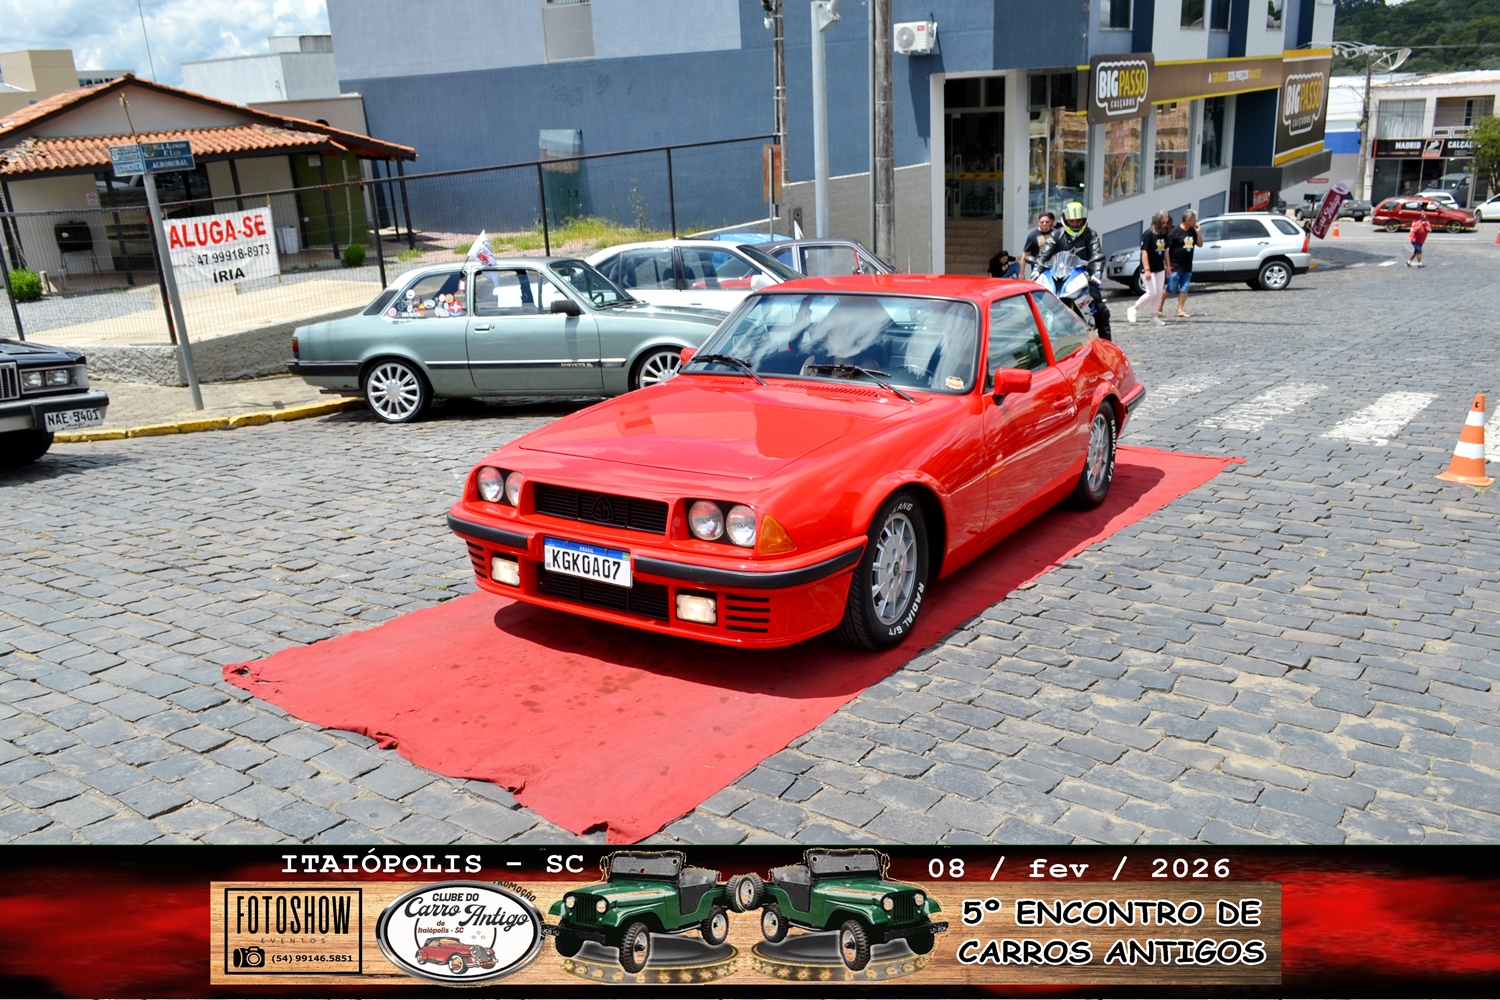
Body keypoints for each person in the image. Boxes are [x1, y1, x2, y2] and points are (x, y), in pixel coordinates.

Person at [1037, 201, 1112, 341]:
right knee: (1039, 307)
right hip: (1060, 278)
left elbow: (1097, 255)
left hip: (1085, 278)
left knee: (1102, 310)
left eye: (1079, 221)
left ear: (1084, 220)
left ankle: (1108, 345)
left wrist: (1096, 273)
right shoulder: (1057, 234)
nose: (1075, 224)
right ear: (1065, 220)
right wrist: (1037, 270)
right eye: (1072, 221)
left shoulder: (1091, 234)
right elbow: (1044, 255)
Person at [1128, 210, 1171, 327]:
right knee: (1151, 292)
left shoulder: (1164, 233)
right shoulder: (1148, 234)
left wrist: (1168, 265)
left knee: (1158, 293)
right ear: (1157, 221)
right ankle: (1134, 308)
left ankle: (1153, 316)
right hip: (1148, 267)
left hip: (1159, 267)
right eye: (1163, 222)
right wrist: (1147, 269)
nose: (1165, 225)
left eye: (1166, 222)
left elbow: (1166, 250)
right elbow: (1144, 252)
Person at [1166, 210, 1201, 318]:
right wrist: (1167, 264)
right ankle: (1160, 304)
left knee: (1184, 288)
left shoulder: (1193, 231)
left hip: (1187, 266)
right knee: (1171, 289)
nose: (1195, 221)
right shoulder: (1175, 232)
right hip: (1175, 266)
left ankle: (1180, 310)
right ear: (1187, 220)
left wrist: (1198, 232)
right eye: (1194, 219)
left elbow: (1200, 244)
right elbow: (1167, 249)